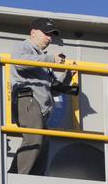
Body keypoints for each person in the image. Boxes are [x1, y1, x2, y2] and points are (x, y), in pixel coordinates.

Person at [8, 19, 72, 175]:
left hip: (39, 109)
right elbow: (19, 62)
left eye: (52, 35)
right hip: (27, 99)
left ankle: (33, 183)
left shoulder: (41, 58)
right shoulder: (24, 46)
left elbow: (52, 90)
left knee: (42, 145)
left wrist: (67, 77)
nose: (50, 38)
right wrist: (51, 59)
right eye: (47, 34)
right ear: (33, 33)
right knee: (35, 140)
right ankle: (17, 179)